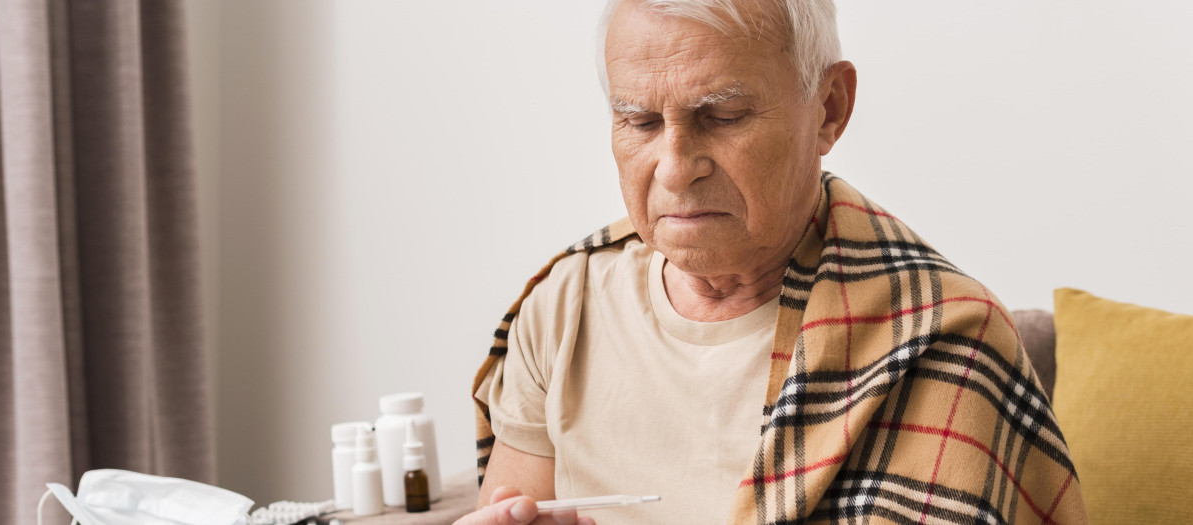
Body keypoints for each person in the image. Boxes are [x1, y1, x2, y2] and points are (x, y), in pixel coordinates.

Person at [458, 0, 1087, 523]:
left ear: (830, 108)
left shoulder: (944, 340)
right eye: (640, 121)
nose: (676, 167)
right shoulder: (564, 304)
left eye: (722, 116)